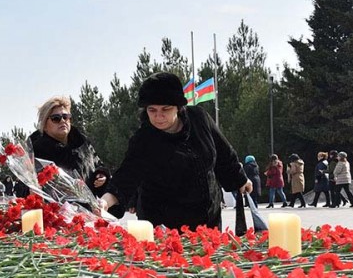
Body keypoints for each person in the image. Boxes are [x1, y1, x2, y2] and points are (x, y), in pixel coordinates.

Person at [100, 72, 250, 230]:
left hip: (208, 221)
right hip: (165, 227)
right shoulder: (143, 139)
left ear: (178, 107)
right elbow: (126, 176)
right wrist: (105, 201)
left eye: (166, 109)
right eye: (152, 110)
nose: (159, 117)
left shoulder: (199, 119)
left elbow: (224, 154)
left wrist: (240, 180)